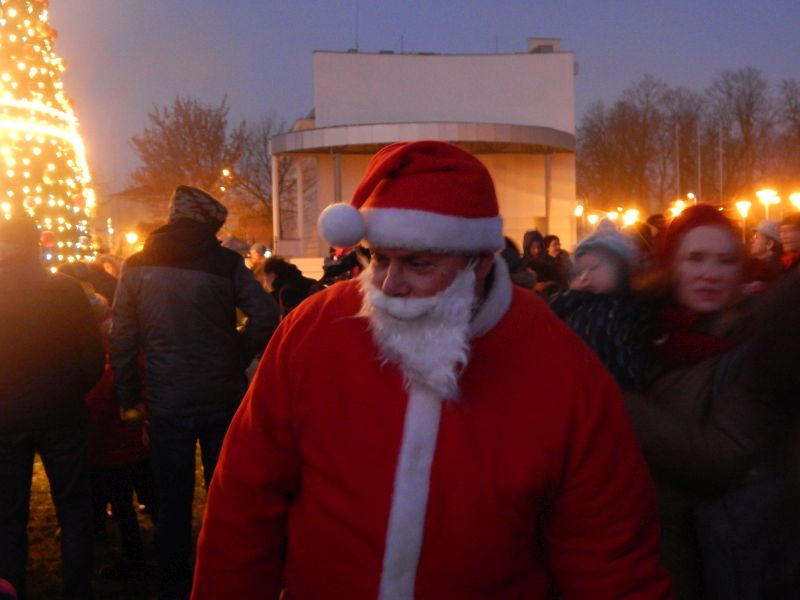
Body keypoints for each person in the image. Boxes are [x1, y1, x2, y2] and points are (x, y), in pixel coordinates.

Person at [191, 141, 672, 599]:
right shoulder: (314, 331)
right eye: (378, 259)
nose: (388, 284)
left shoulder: (560, 367)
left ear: (479, 263)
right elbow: (245, 503)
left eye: (418, 264)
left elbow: (608, 557)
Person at [110, 185, 279, 599]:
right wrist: (236, 352)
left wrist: (130, 400)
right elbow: (264, 315)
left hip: (167, 401)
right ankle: (228, 570)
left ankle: (173, 577)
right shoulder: (226, 264)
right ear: (208, 224)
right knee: (227, 489)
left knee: (172, 496)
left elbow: (122, 340)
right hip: (222, 396)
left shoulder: (136, 265)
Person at [624, 205, 798, 599]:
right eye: (696, 258)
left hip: (717, 562)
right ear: (671, 265)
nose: (710, 273)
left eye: (725, 261)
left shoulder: (755, 347)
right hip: (648, 548)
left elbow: (724, 456)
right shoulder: (642, 336)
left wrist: (621, 405)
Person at [0, 218, 105, 600]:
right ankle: (77, 589)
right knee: (74, 509)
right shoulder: (65, 288)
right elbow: (92, 355)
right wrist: (73, 389)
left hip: (7, 416)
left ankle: (11, 587)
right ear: (37, 245)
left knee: (8, 515)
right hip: (62, 410)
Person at [550, 219, 650, 391]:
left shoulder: (630, 306)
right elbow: (551, 314)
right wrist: (572, 292)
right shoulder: (579, 299)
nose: (585, 276)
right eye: (581, 271)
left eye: (594, 268)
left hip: (616, 385)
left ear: (619, 269)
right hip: (575, 380)